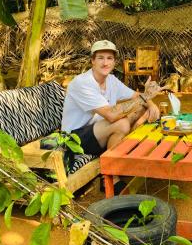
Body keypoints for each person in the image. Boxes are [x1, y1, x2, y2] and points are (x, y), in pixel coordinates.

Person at [61, 40, 163, 190]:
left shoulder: (111, 80)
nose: (105, 63)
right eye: (100, 58)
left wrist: (151, 103)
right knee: (121, 123)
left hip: (98, 131)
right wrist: (145, 97)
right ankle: (109, 177)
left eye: (109, 58)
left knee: (141, 109)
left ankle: (126, 156)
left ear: (114, 62)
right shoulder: (82, 83)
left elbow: (136, 96)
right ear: (92, 61)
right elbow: (110, 115)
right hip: (74, 139)